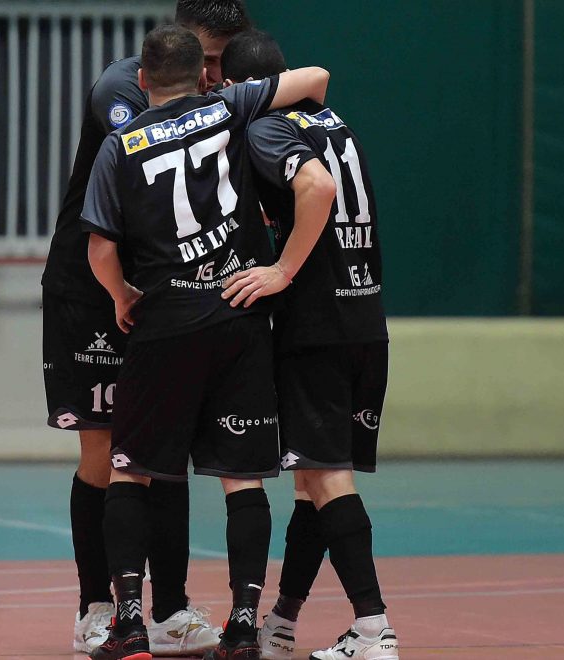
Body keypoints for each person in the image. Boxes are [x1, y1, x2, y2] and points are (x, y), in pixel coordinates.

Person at [81, 24, 330, 660]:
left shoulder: (119, 145)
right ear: (202, 76)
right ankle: (243, 627)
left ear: (142, 80)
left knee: (131, 470)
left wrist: (122, 296)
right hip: (238, 316)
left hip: (164, 322)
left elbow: (100, 250)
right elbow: (314, 79)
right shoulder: (228, 106)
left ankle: (130, 624)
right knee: (242, 479)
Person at [39, 1, 251, 655]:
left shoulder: (213, 99)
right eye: (209, 59)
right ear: (183, 46)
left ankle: (171, 611)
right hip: (94, 291)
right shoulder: (123, 92)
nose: (216, 74)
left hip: (159, 297)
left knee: (165, 454)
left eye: (223, 63)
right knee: (107, 453)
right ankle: (97, 607)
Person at [219, 30, 400, 660]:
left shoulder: (267, 128)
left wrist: (282, 270)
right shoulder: (332, 121)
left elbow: (316, 189)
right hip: (365, 316)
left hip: (318, 322)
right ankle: (283, 622)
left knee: (326, 476)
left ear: (239, 87)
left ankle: (373, 626)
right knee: (312, 480)